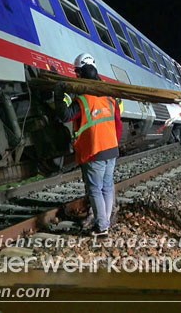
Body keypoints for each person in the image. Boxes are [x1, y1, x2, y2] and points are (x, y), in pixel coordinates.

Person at [54, 53, 123, 237]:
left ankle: (102, 228)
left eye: (77, 73)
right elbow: (118, 123)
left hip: (95, 151)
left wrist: (59, 95)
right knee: (107, 186)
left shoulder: (83, 100)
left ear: (80, 73)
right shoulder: (109, 98)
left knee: (95, 189)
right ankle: (105, 223)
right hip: (111, 149)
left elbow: (65, 116)